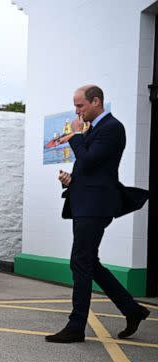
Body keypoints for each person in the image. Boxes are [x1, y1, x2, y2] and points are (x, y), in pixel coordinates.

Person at [46, 85, 150, 343]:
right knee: (88, 262)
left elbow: (90, 160)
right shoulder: (95, 129)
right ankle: (132, 310)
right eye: (75, 106)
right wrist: (71, 180)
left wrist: (76, 136)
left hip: (96, 206)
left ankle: (76, 326)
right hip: (85, 202)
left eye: (80, 105)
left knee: (80, 262)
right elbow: (90, 169)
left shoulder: (113, 128)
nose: (76, 111)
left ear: (96, 102)